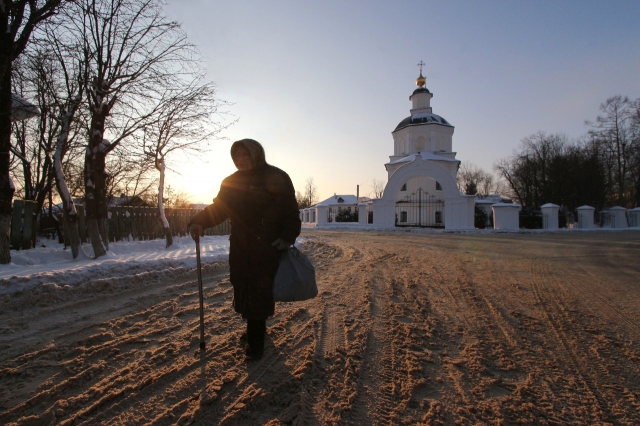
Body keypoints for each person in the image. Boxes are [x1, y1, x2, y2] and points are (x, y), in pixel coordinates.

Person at [189, 139, 301, 359]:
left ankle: (255, 342)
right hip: (240, 245)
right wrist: (199, 220)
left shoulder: (276, 177)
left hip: (267, 245)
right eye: (237, 156)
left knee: (260, 289)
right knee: (242, 285)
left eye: (245, 155)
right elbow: (219, 208)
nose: (240, 160)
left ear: (257, 154)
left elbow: (290, 211)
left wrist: (287, 238)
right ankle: (254, 328)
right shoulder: (231, 182)